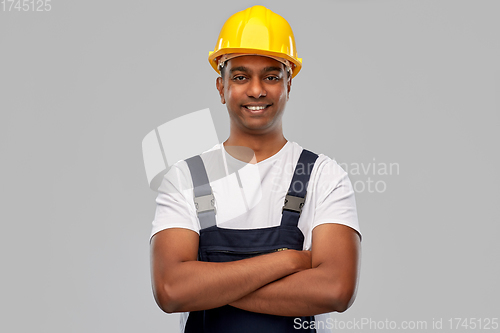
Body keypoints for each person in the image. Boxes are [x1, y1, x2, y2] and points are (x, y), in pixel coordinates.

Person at [150, 5, 361, 333]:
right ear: (221, 88)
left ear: (289, 85)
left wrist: (211, 282)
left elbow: (335, 289)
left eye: (272, 76)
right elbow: (172, 290)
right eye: (240, 76)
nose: (257, 90)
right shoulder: (186, 178)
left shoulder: (323, 176)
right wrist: (290, 261)